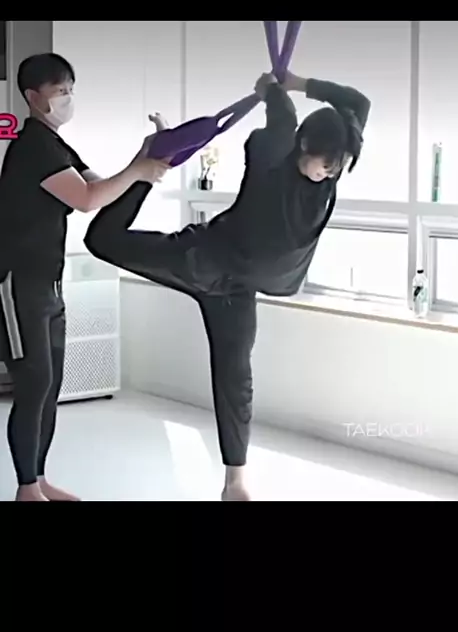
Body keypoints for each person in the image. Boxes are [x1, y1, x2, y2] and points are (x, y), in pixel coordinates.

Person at [84, 71, 371, 501]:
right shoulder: (271, 154)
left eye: (337, 167)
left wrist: (295, 82)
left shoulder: (337, 149)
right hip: (203, 261)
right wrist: (272, 93)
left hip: (240, 287)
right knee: (101, 240)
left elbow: (357, 102)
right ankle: (145, 171)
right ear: (303, 145)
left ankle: (235, 482)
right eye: (324, 164)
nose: (329, 174)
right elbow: (282, 119)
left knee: (235, 375)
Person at [0, 53, 169, 501]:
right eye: (59, 91)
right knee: (34, 385)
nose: (67, 98)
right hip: (17, 285)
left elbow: (105, 189)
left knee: (50, 386)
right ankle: (25, 489)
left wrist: (147, 158)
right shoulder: (32, 146)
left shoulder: (57, 146)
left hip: (48, 285)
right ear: (33, 97)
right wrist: (138, 169)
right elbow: (87, 199)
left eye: (70, 90)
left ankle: (38, 480)